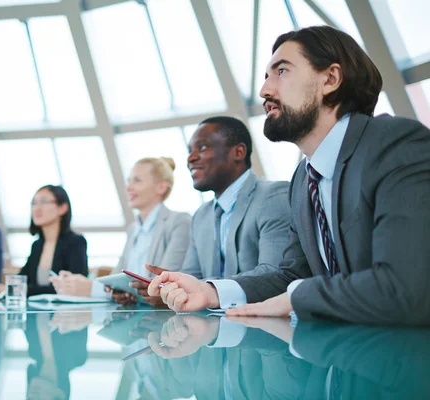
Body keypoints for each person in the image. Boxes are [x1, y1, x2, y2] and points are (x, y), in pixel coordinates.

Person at [148, 26, 430, 325]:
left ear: (330, 79)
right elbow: (293, 275)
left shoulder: (396, 144)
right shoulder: (303, 180)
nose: (264, 91)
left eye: (281, 71)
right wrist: (211, 291)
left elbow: (403, 287)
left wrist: (296, 297)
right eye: (267, 77)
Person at [51, 158, 190, 306]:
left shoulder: (179, 222)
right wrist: (79, 282)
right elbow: (116, 279)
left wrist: (92, 288)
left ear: (161, 187)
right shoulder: (133, 229)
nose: (129, 187)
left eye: (137, 180)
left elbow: (162, 288)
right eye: (129, 181)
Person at [179, 116, 290, 282]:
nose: (191, 158)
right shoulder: (201, 215)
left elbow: (273, 275)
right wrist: (169, 287)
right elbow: (193, 277)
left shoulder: (273, 196)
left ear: (238, 152)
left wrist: (206, 290)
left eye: (202, 147)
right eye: (190, 151)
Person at [0, 185, 87, 297]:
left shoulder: (76, 242)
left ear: (62, 208)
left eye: (44, 201)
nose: (37, 208)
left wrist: (19, 289)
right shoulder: (37, 245)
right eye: (34, 203)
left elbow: (73, 287)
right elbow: (22, 279)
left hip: (66, 314)